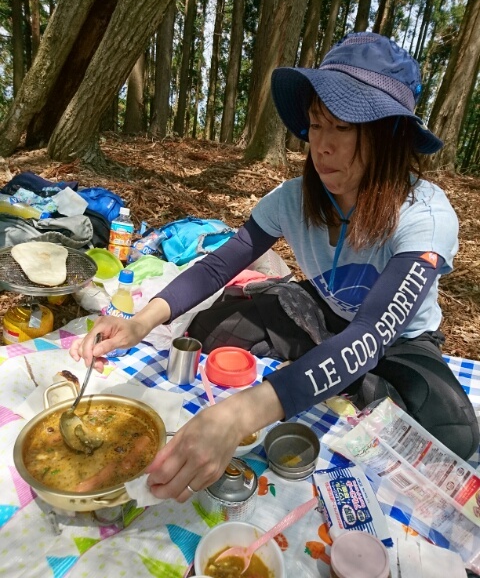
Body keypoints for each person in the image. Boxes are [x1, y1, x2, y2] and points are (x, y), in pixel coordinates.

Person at [71, 32, 479, 503]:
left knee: (453, 436)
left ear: (390, 134)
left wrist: (242, 414)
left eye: (343, 128)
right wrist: (138, 323)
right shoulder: (291, 199)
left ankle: (332, 374)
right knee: (211, 328)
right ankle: (326, 373)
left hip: (398, 340)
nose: (322, 146)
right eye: (316, 125)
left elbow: (371, 333)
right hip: (323, 312)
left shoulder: (425, 213)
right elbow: (217, 267)